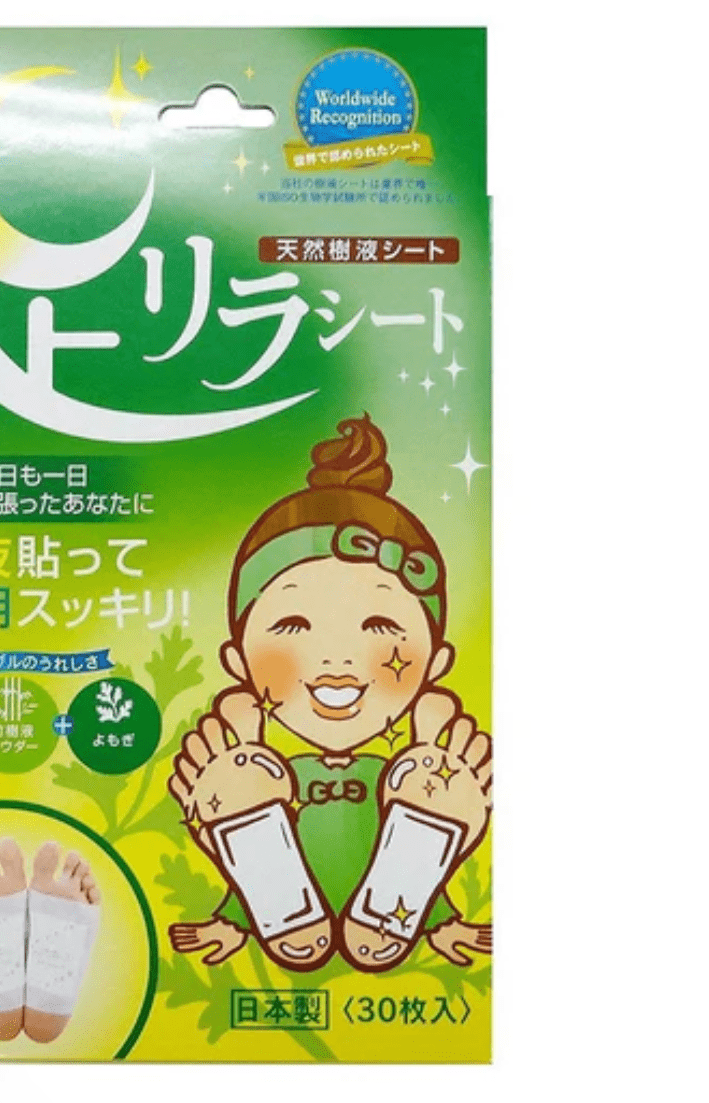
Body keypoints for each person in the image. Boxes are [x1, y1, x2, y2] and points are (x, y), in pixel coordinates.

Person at [168, 415, 493, 973]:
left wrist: (444, 923)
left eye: (379, 628)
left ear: (435, 666)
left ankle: (287, 883)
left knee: (399, 799)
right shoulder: (289, 779)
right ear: (237, 664)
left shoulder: (380, 780)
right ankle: (310, 878)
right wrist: (230, 922)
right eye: (293, 627)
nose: (336, 662)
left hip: (388, 801)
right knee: (268, 793)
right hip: (308, 800)